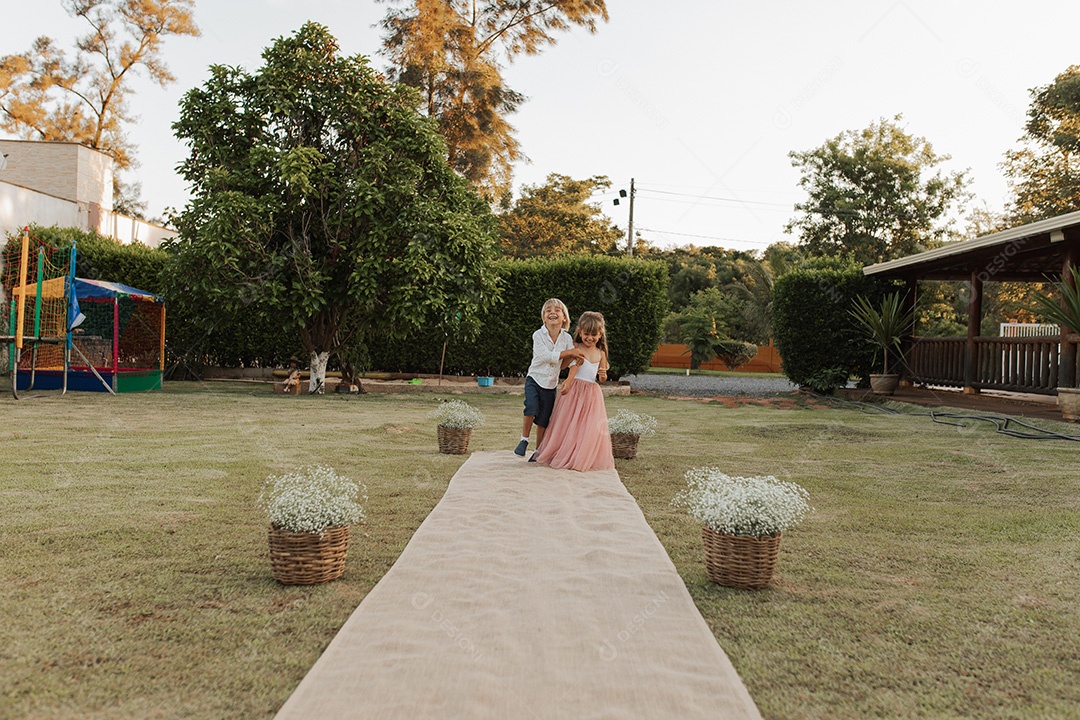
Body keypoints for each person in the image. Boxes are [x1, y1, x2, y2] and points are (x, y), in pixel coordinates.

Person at [531, 311, 614, 472]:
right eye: (586, 334)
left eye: (594, 335)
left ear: (600, 335)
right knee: (568, 423)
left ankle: (579, 455)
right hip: (574, 390)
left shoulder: (601, 353)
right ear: (580, 332)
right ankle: (564, 452)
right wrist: (568, 380)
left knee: (586, 426)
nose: (590, 338)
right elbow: (566, 367)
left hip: (591, 393)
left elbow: (601, 377)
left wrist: (603, 375)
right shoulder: (576, 347)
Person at [514, 298, 584, 457]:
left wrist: (575, 359)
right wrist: (571, 352)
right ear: (544, 318)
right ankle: (524, 439)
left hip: (551, 385)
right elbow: (546, 356)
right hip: (535, 379)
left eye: (557, 310)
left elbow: (565, 363)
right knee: (531, 407)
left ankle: (538, 451)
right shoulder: (538, 335)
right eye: (548, 311)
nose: (552, 312)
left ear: (564, 317)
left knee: (544, 419)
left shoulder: (566, 339)